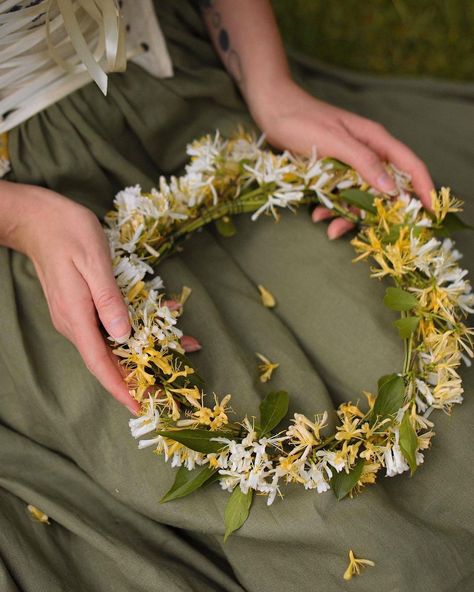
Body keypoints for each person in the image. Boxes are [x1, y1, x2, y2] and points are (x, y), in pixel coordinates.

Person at [0, 1, 473, 591]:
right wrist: (21, 221)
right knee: (336, 535)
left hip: (182, 90)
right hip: (28, 206)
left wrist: (272, 89)